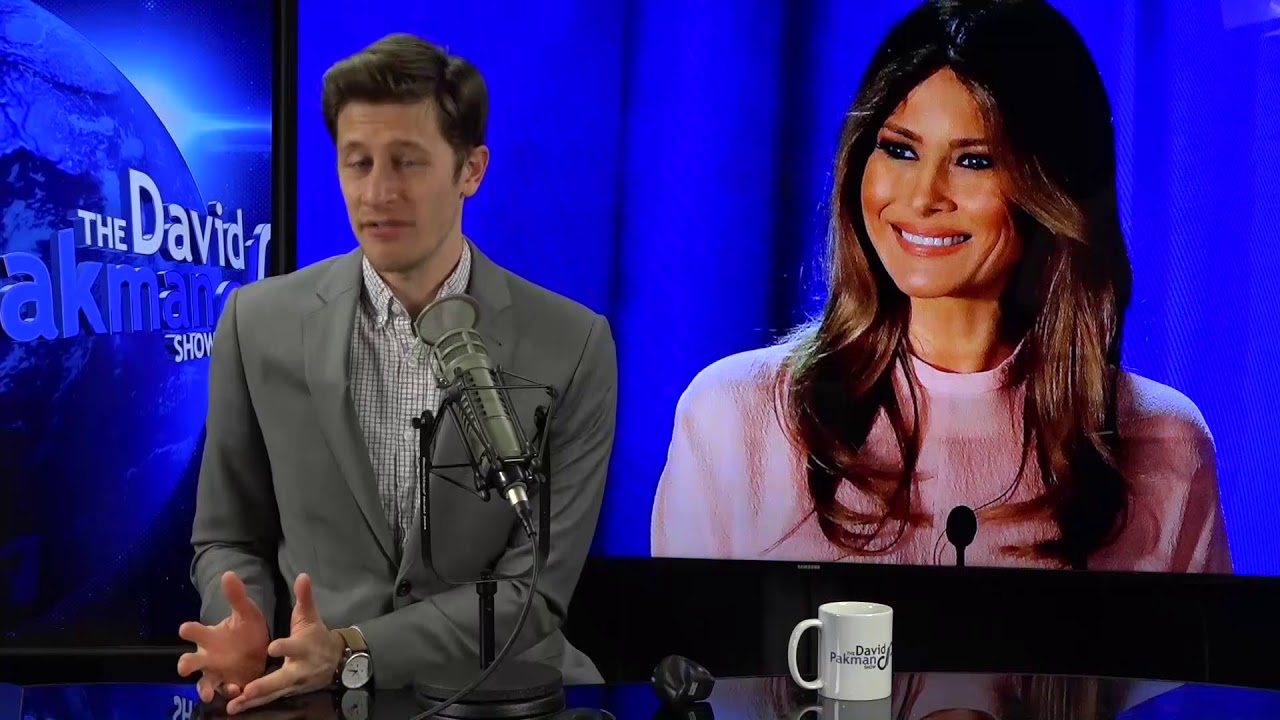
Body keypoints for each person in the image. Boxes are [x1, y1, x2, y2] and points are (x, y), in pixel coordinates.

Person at [651, 0, 1231, 573]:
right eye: (899, 150)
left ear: (1051, 191)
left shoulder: (1163, 444)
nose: (923, 196)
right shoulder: (736, 418)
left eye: (974, 161)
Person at [176, 33, 617, 714]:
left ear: (471, 170)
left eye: (407, 162)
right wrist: (245, 622)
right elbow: (229, 535)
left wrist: (352, 649)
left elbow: (535, 591)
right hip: (312, 697)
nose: (377, 192)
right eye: (358, 163)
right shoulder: (256, 323)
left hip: (503, 696)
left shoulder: (574, 345)